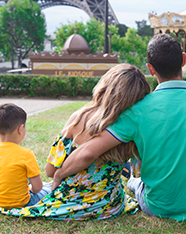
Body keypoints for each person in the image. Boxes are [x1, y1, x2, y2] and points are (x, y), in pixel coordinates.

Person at [52, 34, 186, 221]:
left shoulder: (135, 111)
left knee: (135, 180)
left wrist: (59, 174)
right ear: (184, 60)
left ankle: (132, 180)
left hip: (156, 206)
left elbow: (87, 153)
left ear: (151, 69)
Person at [42, 64, 150, 220]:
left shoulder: (79, 118)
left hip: (69, 205)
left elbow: (50, 171)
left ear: (105, 86)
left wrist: (60, 174)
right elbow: (137, 172)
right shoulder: (132, 128)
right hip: (109, 206)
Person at [0, 103, 51, 209]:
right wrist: (31, 189)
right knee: (48, 190)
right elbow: (37, 187)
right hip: (21, 203)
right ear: (21, 129)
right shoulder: (26, 154)